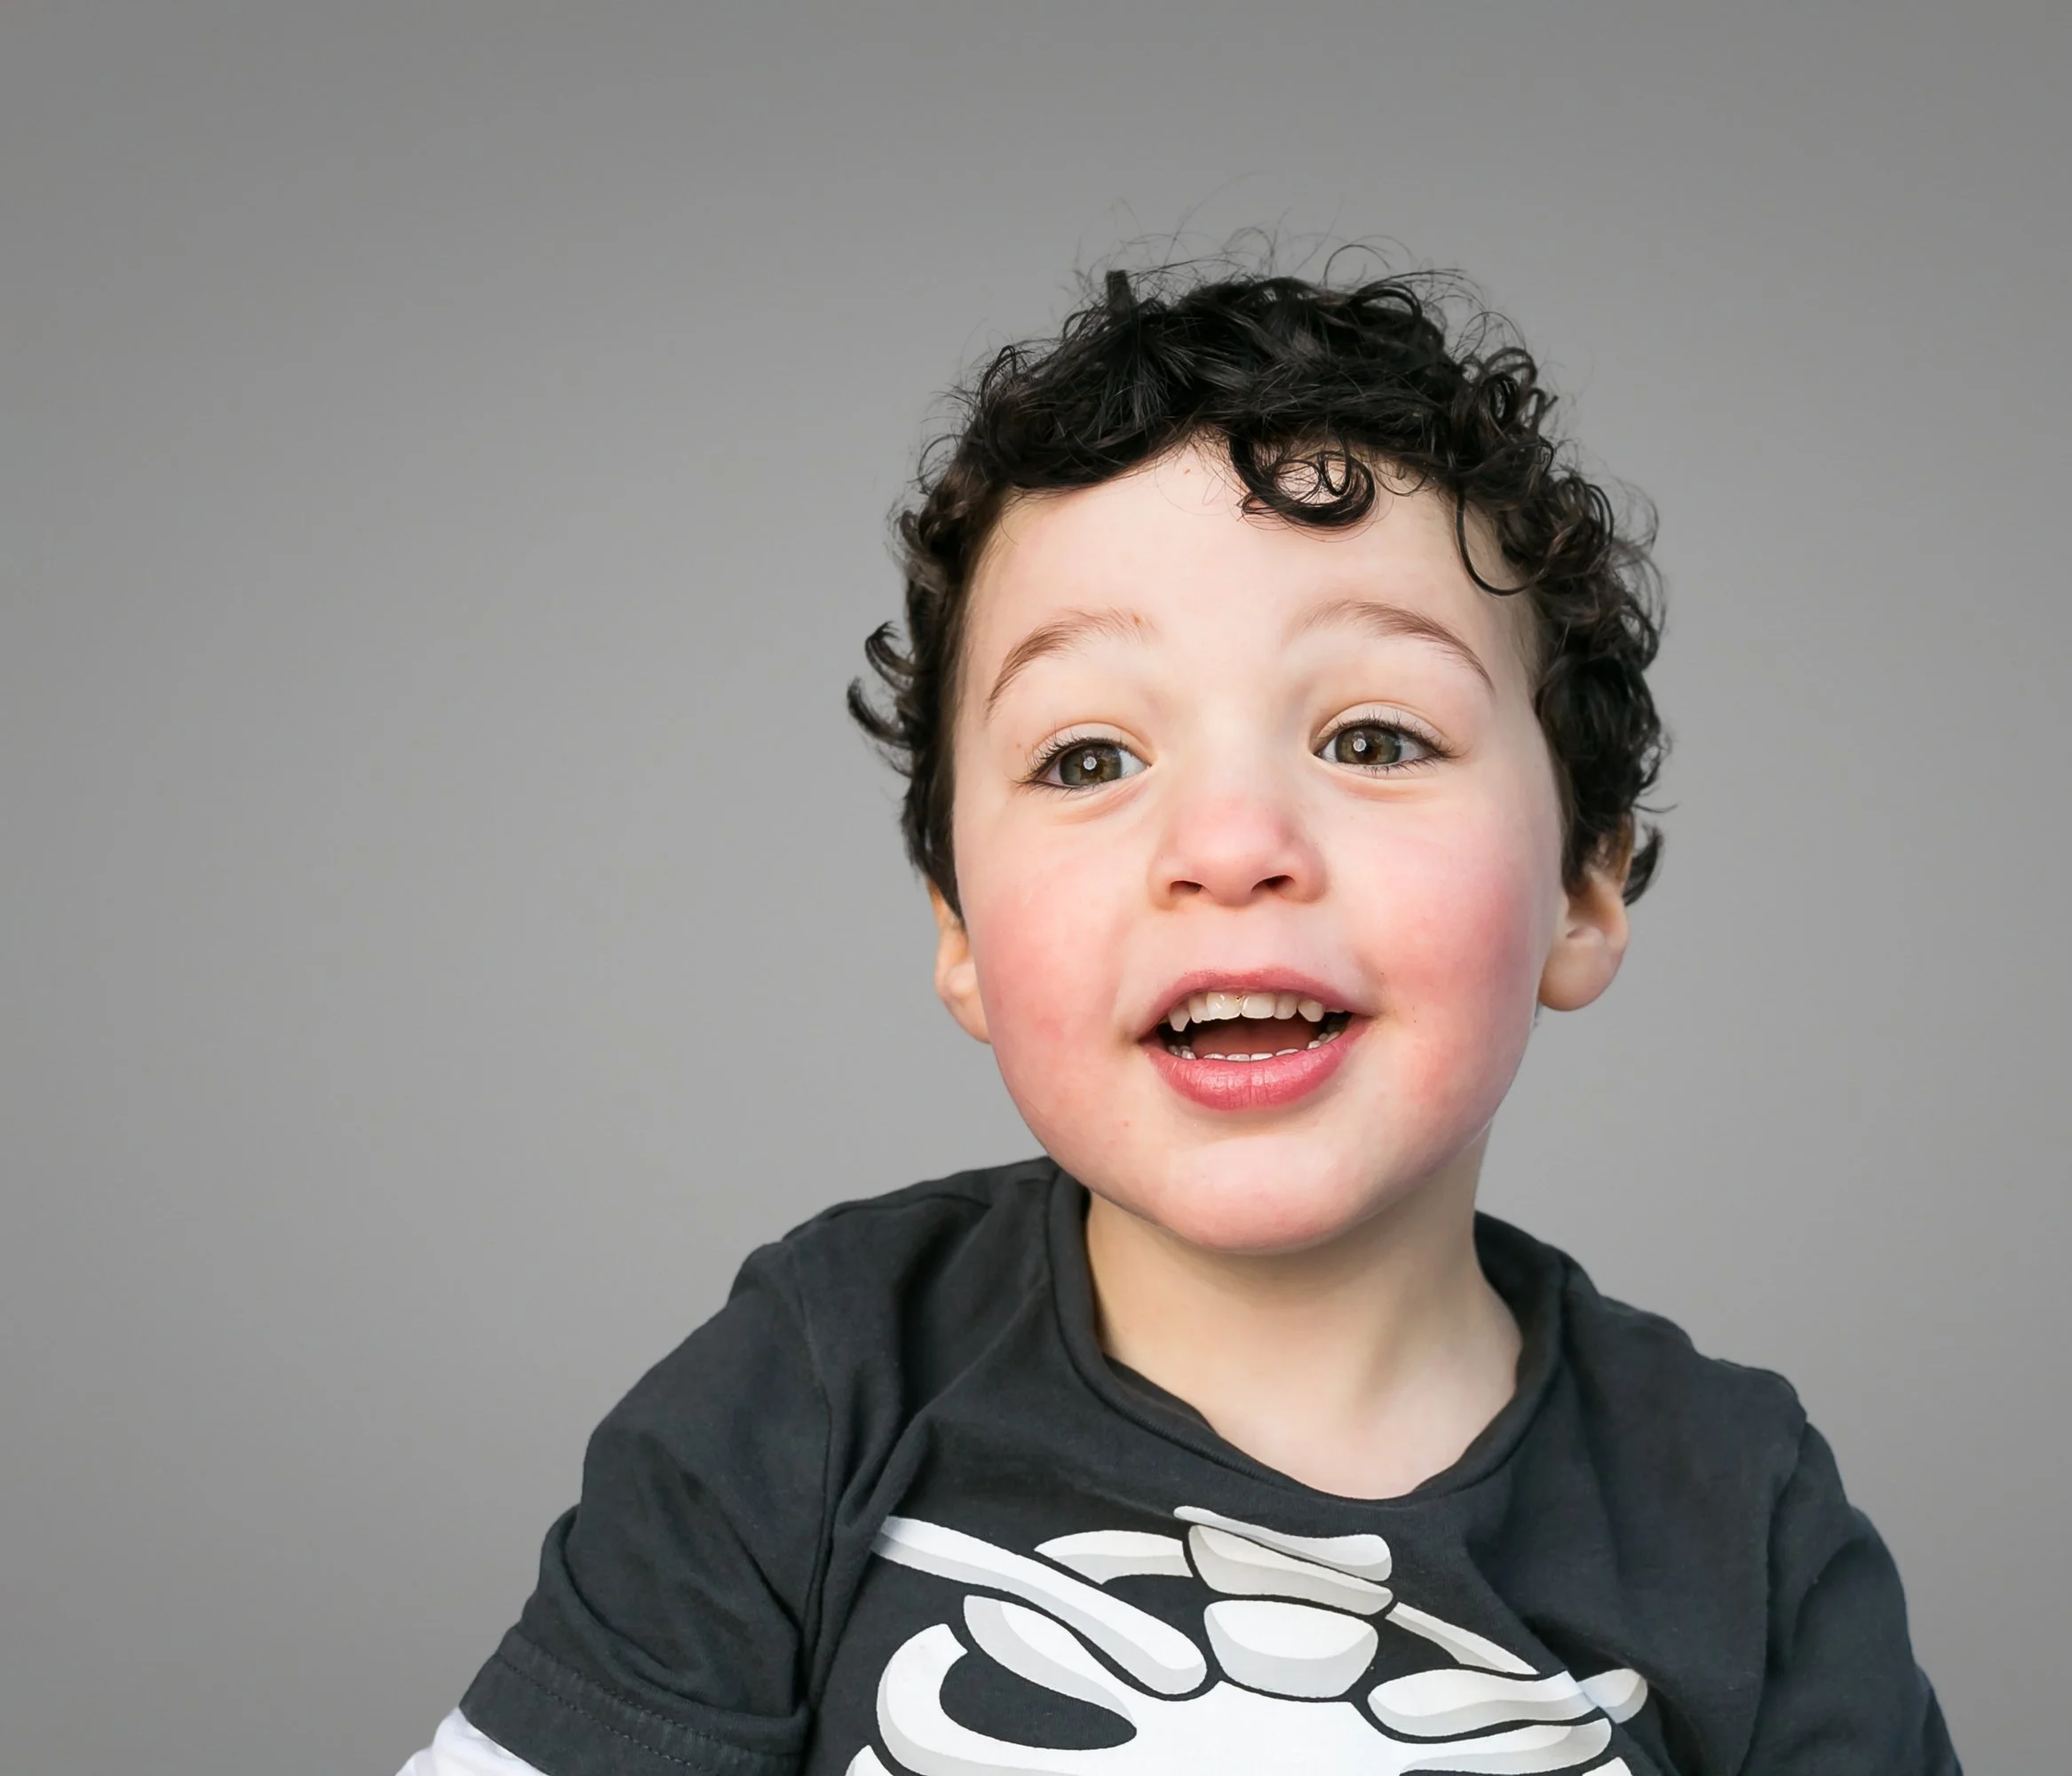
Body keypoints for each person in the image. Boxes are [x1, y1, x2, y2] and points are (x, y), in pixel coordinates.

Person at [400, 261, 1958, 1776]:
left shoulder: (1735, 1513)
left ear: (1585, 881)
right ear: (958, 928)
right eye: (1087, 758)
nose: (1228, 844)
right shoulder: (815, 1386)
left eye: (1372, 733)